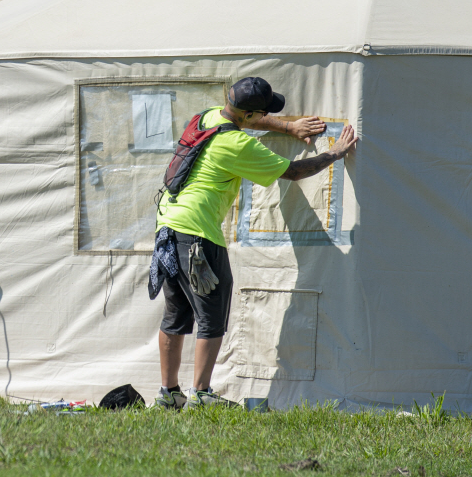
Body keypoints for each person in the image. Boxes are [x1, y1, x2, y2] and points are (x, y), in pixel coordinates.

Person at [150, 76, 358, 410]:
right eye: (262, 112)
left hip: (168, 227)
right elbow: (293, 171)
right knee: (212, 313)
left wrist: (288, 128)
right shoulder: (237, 145)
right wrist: (334, 153)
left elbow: (250, 120)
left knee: (175, 314)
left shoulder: (207, 117)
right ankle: (201, 394)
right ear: (248, 114)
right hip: (198, 233)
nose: (265, 116)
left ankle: (168, 394)